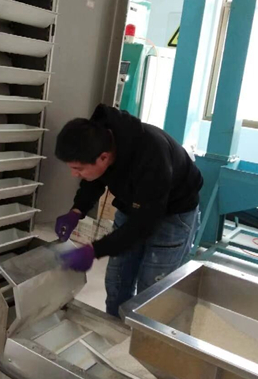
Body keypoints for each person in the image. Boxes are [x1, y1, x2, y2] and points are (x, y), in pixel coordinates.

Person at [54, 104, 203, 317]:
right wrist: (77, 210)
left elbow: (143, 225)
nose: (74, 174)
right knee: (117, 282)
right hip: (133, 203)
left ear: (104, 157)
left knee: (152, 292)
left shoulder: (152, 156)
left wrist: (94, 250)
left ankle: (142, 335)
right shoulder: (96, 138)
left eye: (78, 169)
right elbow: (93, 179)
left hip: (173, 212)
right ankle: (115, 331)